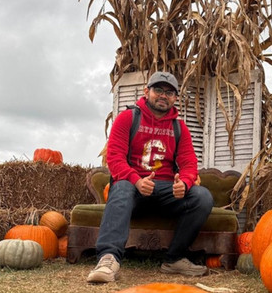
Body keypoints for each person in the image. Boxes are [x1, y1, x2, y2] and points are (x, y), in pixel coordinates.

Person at [87, 71, 214, 284]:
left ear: (175, 98)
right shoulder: (128, 118)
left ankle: (174, 259)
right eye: (158, 90)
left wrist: (184, 182)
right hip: (134, 189)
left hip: (165, 191)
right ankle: (108, 259)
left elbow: (189, 163)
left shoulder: (179, 128)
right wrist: (136, 180)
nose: (163, 95)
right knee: (120, 187)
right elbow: (115, 158)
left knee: (202, 197)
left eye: (169, 92)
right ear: (147, 92)